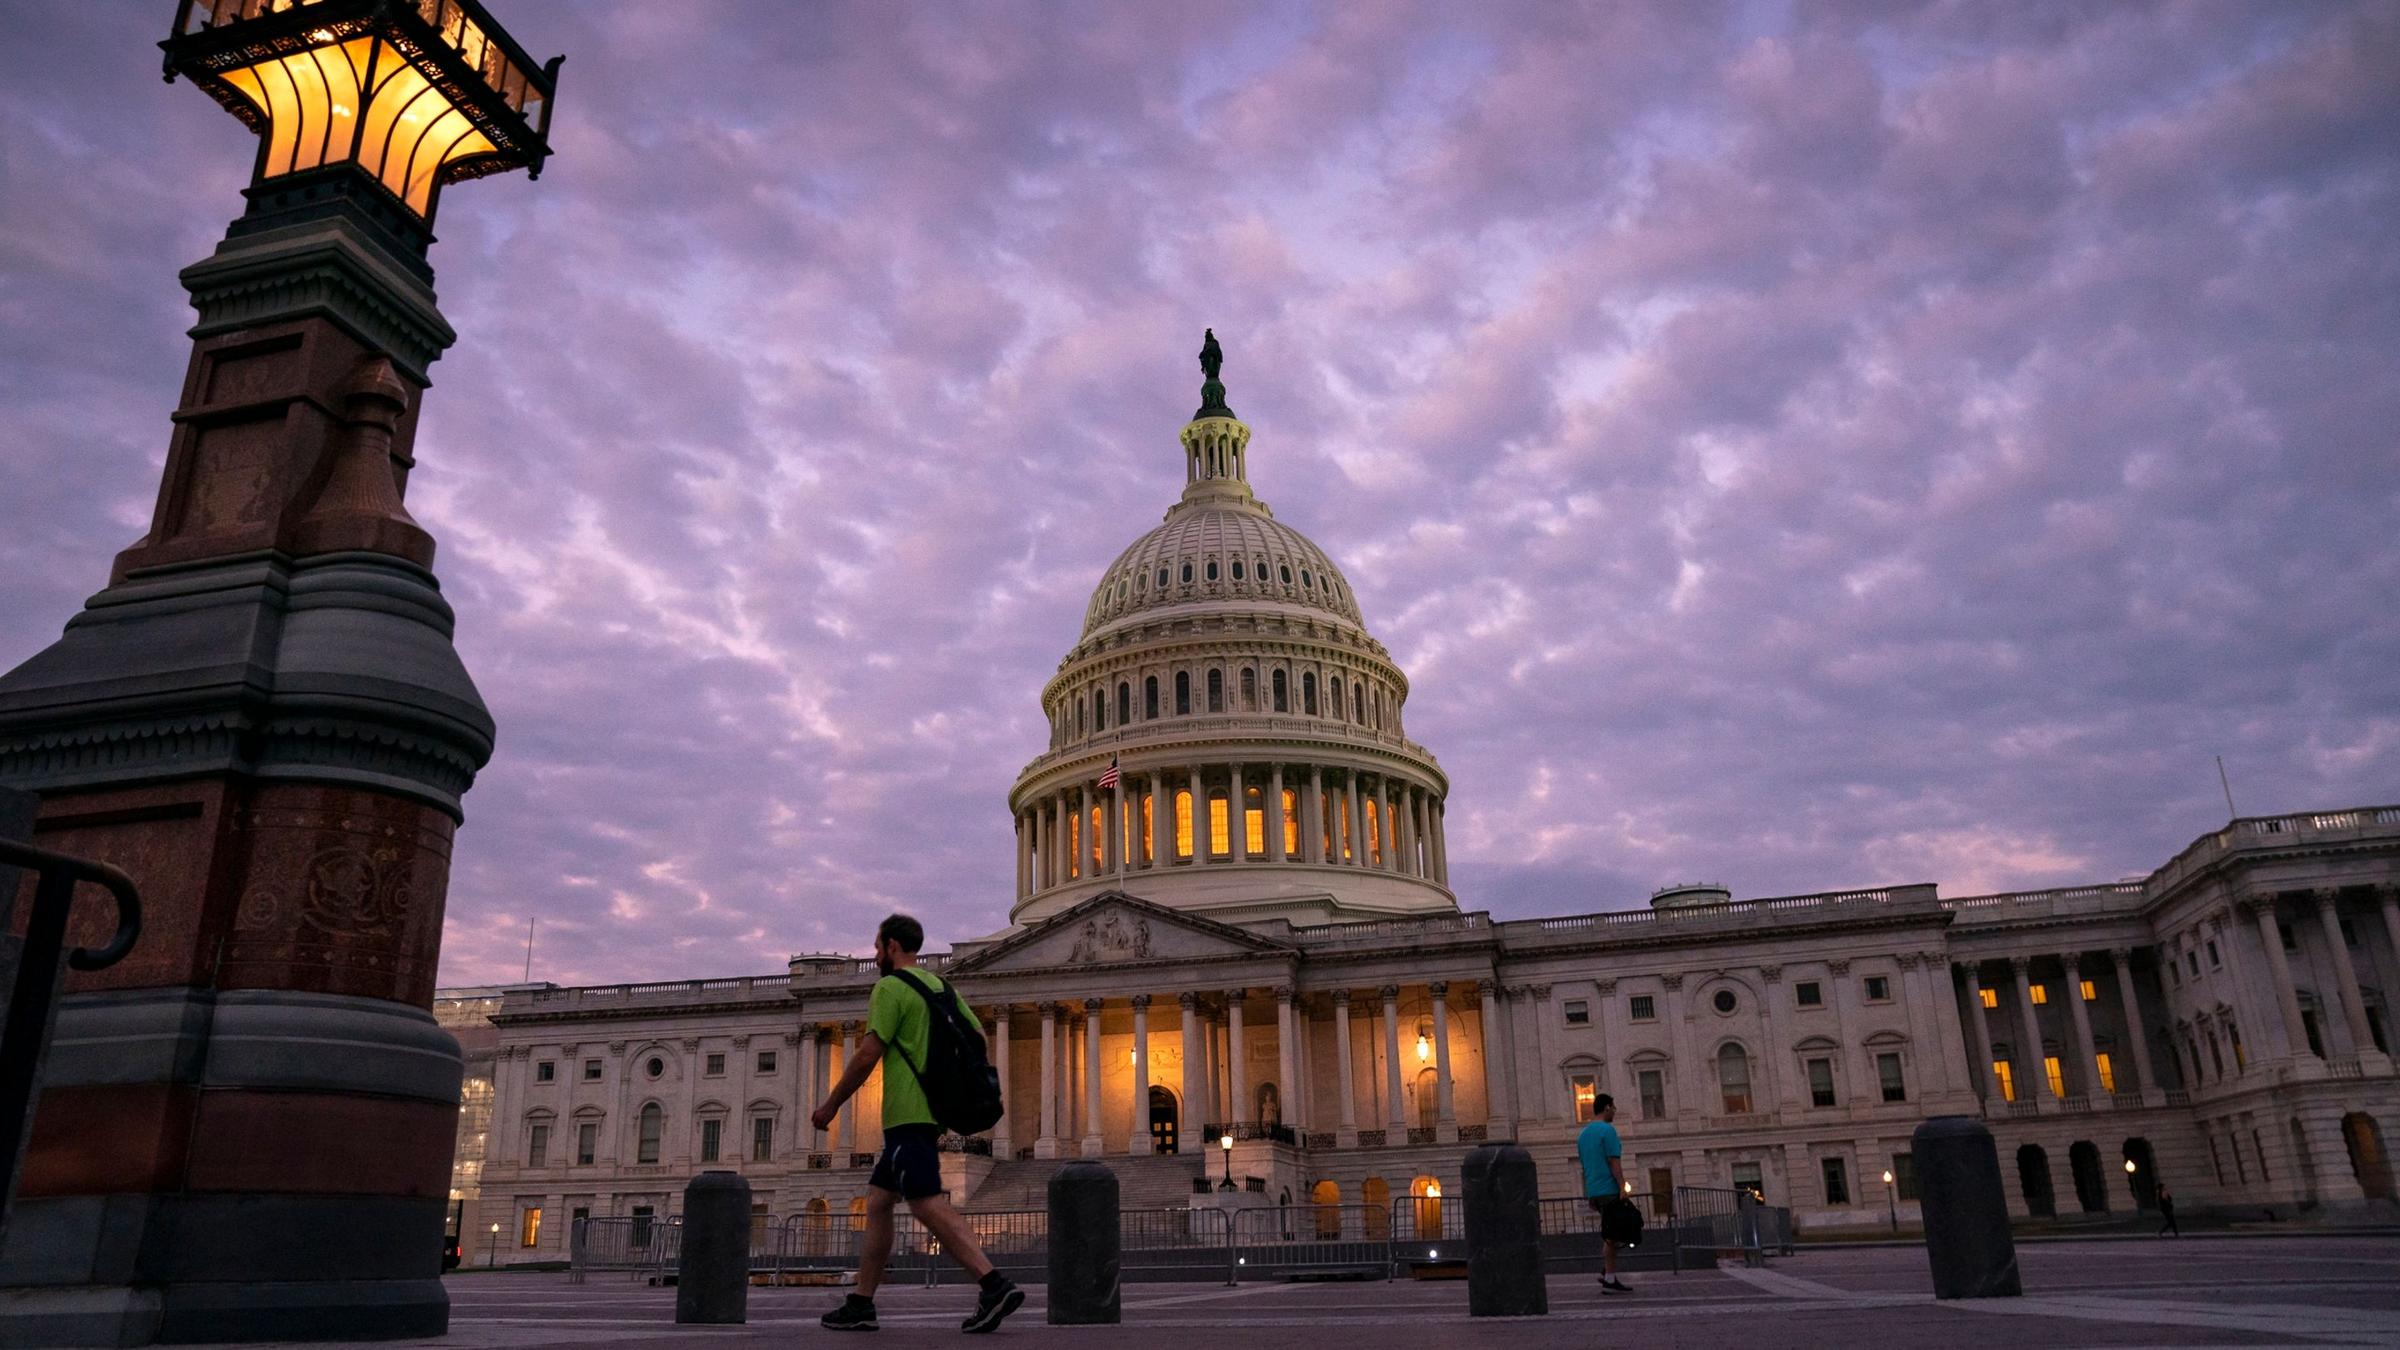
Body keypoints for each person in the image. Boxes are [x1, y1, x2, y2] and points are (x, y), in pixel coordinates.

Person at [812, 914, 1023, 1333]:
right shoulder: (941, 987)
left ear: (892, 946)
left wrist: (831, 1105)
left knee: (926, 1202)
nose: (875, 956)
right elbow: (977, 1037)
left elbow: (868, 1054)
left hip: (908, 1113)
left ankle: (993, 1284)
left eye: (877, 947)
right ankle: (861, 1302)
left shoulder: (890, 988)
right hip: (929, 1112)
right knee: (878, 1203)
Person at [1577, 1094, 1633, 1294]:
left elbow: (1585, 1166)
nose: (1615, 1111)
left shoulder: (1583, 1135)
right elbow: (1613, 1162)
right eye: (1614, 1107)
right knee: (1616, 1233)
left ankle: (1608, 1272)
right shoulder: (1608, 1131)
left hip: (1595, 1190)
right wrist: (1622, 1186)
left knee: (1614, 1233)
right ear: (1607, 1107)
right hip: (1609, 1190)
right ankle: (1609, 1279)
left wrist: (1590, 1194)